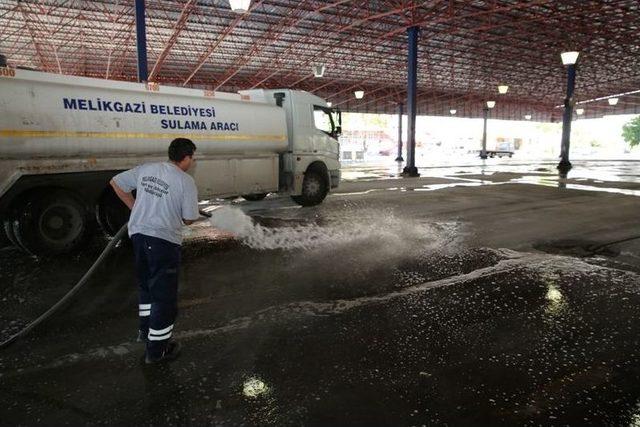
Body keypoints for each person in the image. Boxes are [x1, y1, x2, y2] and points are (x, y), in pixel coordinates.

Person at [110, 138, 199, 364]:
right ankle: (157, 351)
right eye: (192, 157)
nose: (192, 161)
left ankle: (146, 332)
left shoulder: (147, 168)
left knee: (147, 288)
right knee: (163, 297)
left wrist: (136, 207)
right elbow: (189, 219)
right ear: (186, 157)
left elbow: (116, 183)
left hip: (139, 237)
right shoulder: (185, 180)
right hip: (162, 242)